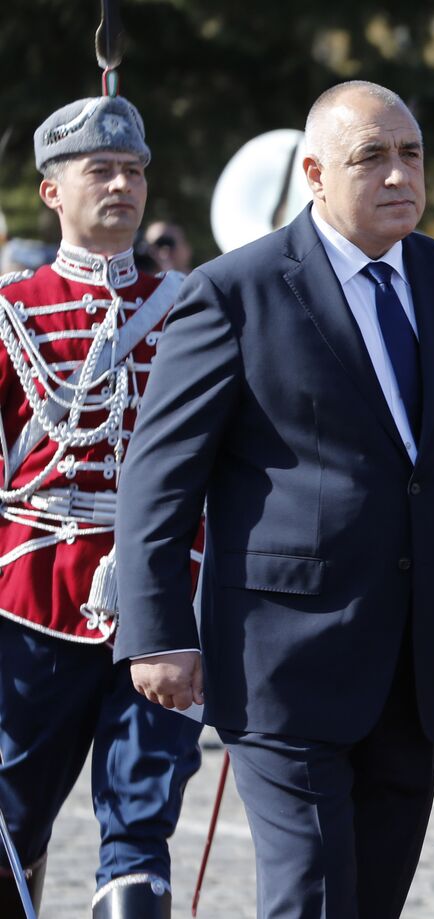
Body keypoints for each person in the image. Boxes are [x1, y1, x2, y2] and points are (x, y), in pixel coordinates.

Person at [113, 81, 434, 918]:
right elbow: (161, 476)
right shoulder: (233, 293)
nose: (400, 175)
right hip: (282, 662)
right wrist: (157, 631)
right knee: (313, 897)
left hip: (421, 656)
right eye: (373, 157)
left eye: (411, 154)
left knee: (370, 900)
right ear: (315, 172)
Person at [0, 94, 204, 919]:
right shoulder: (14, 312)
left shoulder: (192, 310)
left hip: (162, 601)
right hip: (31, 599)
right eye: (101, 171)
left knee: (140, 829)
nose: (122, 184)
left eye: (133, 171)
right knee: (9, 821)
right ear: (54, 191)